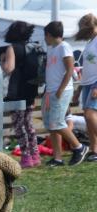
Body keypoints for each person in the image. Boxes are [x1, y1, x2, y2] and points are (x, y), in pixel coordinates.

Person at [42, 21, 88, 167]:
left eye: (45, 36)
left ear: (49, 35)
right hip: (50, 91)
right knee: (51, 124)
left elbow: (70, 70)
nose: (45, 39)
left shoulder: (64, 47)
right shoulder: (52, 49)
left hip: (60, 91)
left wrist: (61, 90)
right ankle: (57, 158)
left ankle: (79, 147)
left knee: (56, 123)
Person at [2, 21, 41, 168]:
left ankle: (26, 157)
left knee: (19, 125)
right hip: (30, 89)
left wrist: (3, 61)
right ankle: (35, 155)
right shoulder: (33, 47)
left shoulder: (12, 48)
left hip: (16, 92)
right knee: (29, 124)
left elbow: (9, 68)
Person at [74, 13, 97, 162]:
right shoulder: (90, 42)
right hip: (87, 83)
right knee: (88, 119)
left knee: (90, 115)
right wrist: (78, 90)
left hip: (95, 82)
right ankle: (94, 149)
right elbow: (87, 67)